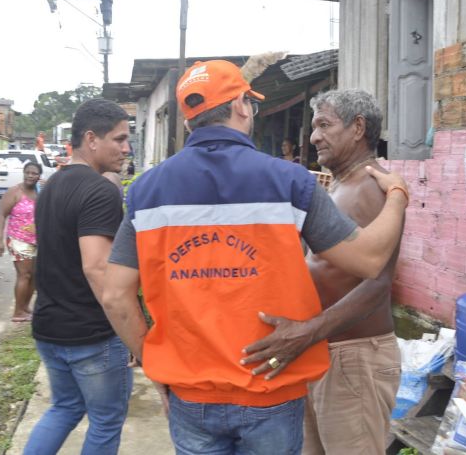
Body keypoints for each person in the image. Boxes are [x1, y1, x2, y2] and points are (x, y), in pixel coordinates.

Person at [100, 60, 409, 454]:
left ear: (192, 118)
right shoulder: (289, 181)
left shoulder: (146, 191)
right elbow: (369, 261)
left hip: (191, 396)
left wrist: (156, 366)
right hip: (270, 391)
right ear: (242, 106)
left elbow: (114, 296)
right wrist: (398, 196)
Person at [245, 89, 402, 454]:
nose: (314, 136)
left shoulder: (373, 187)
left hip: (353, 357)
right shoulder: (340, 186)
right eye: (315, 126)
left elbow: (378, 284)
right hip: (322, 350)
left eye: (324, 125)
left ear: (358, 127)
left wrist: (306, 333)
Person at [23, 99, 133, 455]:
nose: (126, 148)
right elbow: (96, 266)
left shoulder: (51, 186)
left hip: (49, 326)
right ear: (91, 139)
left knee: (65, 407)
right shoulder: (100, 190)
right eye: (119, 139)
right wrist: (130, 330)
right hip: (91, 334)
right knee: (105, 421)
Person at [0, 161, 42, 322]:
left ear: (39, 176)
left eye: (34, 173)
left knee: (34, 276)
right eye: (27, 172)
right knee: (24, 275)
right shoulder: (14, 192)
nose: (30, 175)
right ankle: (17, 312)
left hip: (36, 241)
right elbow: (1, 215)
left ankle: (25, 307)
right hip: (18, 239)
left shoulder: (39, 192)